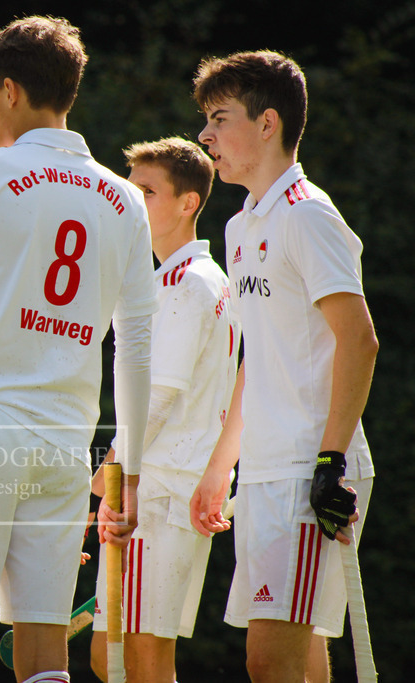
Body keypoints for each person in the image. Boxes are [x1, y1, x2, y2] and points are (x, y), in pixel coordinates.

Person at [0, 16, 156, 683]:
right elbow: (133, 345)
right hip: (65, 444)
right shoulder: (128, 199)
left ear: (10, 89)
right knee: (46, 649)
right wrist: (125, 466)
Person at [188, 51, 377, 683]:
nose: (204, 136)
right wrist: (221, 467)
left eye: (219, 118)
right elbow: (256, 360)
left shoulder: (308, 214)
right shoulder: (241, 226)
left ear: (268, 123)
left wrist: (331, 462)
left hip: (310, 466)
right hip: (265, 471)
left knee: (268, 661)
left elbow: (359, 340)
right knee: (295, 657)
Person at [87, 137, 238, 682]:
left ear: (188, 203)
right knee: (117, 656)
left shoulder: (183, 283)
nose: (134, 201)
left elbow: (155, 400)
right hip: (163, 488)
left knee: (139, 658)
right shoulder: (206, 279)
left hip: (157, 493)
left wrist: (105, 481)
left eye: (147, 191)